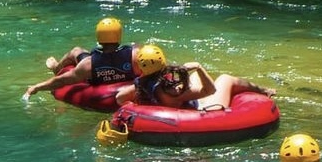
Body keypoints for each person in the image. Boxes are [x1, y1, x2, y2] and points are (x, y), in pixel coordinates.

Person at [114, 44, 277, 111]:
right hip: (207, 112)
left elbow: (120, 98)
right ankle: (264, 91)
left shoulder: (140, 84)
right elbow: (210, 90)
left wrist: (144, 108)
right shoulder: (173, 90)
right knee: (226, 79)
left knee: (194, 79)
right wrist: (199, 67)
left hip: (168, 106)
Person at [25, 17, 138, 98]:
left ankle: (57, 68)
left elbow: (62, 81)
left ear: (98, 36)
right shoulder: (135, 55)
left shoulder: (88, 65)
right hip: (125, 87)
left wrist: (36, 87)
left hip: (95, 78)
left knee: (76, 51)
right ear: (119, 35)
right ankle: (56, 67)